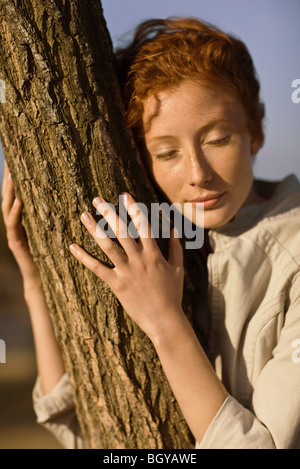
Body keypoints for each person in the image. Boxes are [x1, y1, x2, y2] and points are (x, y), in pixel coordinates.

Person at [1, 16, 300, 449]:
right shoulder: (157, 237)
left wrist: (164, 320)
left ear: (254, 133)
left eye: (218, 140)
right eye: (167, 152)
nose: (198, 175)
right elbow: (82, 428)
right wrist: (36, 278)